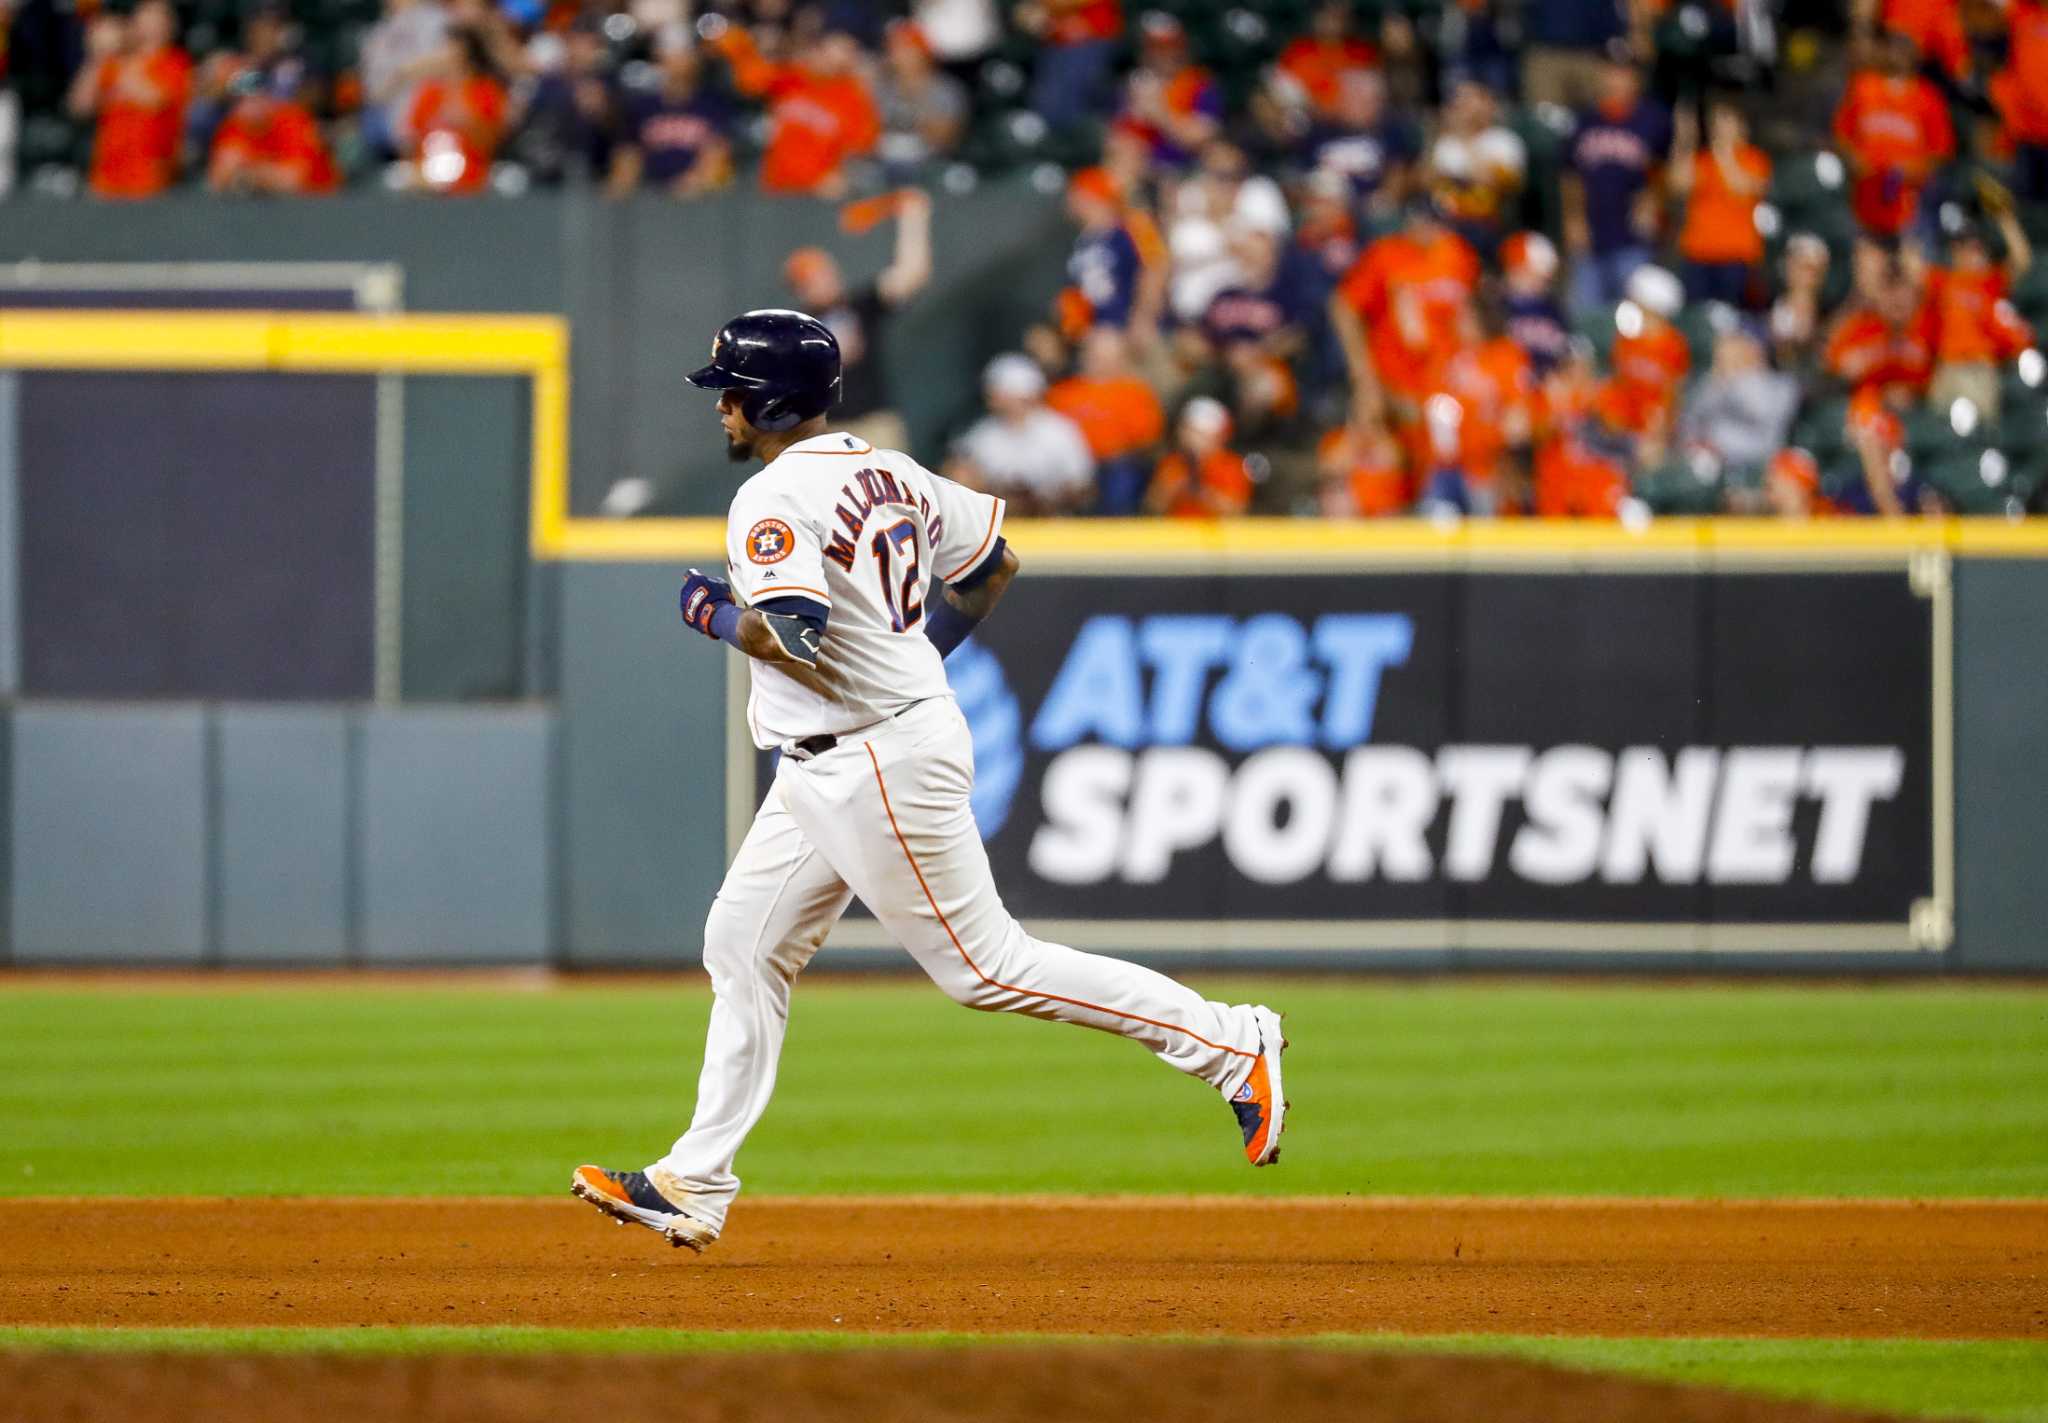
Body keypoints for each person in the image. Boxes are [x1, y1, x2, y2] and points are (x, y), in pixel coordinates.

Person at [570, 309, 1289, 1252]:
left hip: (873, 753)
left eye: (733, 394)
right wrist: (919, 656)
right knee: (742, 942)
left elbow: (792, 630)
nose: (723, 412)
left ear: (774, 399)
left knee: (988, 967)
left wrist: (709, 611)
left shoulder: (772, 497)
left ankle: (1230, 1042)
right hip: (841, 752)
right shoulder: (888, 468)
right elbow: (993, 564)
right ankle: (694, 1180)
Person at [780, 186, 933, 452]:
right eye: (811, 280)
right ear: (799, 289)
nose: (823, 281)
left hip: (874, 424)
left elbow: (911, 274)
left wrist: (913, 220)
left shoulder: (860, 305)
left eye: (824, 273)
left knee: (890, 492)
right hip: (828, 431)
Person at [708, 21, 879, 198]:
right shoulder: (792, 78)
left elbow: (864, 148)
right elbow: (749, 80)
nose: (835, 57)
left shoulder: (854, 96)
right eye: (829, 50)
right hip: (777, 187)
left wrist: (845, 176)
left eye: (846, 51)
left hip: (819, 194)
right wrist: (738, 44)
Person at [1561, 51, 1670, 319]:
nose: (1617, 80)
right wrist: (1573, 217)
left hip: (1632, 235)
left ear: (1636, 79)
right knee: (1584, 319)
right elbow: (1570, 175)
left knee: (1634, 319)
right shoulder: (1585, 120)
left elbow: (1664, 170)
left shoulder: (1653, 120)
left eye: (1624, 73)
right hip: (1591, 234)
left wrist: (1653, 200)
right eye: (1612, 72)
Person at [1833, 28, 1954, 238]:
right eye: (1893, 47)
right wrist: (1853, 159)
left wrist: (1913, 170)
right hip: (1865, 191)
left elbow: (1941, 151)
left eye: (1904, 48)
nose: (1897, 54)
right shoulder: (1863, 86)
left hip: (1909, 196)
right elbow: (1841, 133)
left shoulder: (1928, 96)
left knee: (1912, 259)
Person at [68, 0, 191, 199]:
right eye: (146, 15)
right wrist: (96, 57)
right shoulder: (112, 63)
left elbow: (153, 99)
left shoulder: (176, 62)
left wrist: (118, 46)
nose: (152, 24)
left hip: (150, 182)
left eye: (158, 17)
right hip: (105, 179)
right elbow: (79, 106)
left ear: (171, 25)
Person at [946, 353, 1095, 515]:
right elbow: (958, 482)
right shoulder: (982, 436)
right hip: (998, 525)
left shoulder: (1060, 432)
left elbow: (1084, 487)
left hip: (1056, 525)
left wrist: (1045, 499)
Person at [1046, 325, 1167, 514]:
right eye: (1094, 353)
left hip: (1114, 467)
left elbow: (1148, 441)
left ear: (1120, 358)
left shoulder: (1136, 392)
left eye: (1106, 355)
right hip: (1066, 467)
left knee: (1121, 477)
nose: (1098, 360)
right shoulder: (1061, 393)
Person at [607, 27, 731, 197]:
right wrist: (621, 186)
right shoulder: (642, 107)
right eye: (671, 53)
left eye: (682, 54)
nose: (676, 61)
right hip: (650, 199)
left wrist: (695, 181)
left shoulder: (713, 104)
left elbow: (718, 155)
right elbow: (628, 154)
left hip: (699, 203)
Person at [1670, 98, 1770, 308]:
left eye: (1726, 121)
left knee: (1730, 316)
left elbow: (1740, 188)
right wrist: (1685, 141)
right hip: (1698, 253)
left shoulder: (1754, 158)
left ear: (1742, 126)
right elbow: (1678, 185)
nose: (1719, 127)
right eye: (1715, 122)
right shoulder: (1703, 159)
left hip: (1734, 255)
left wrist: (1723, 153)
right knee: (1696, 317)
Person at [404, 26, 506, 193]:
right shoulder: (429, 92)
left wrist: (466, 121)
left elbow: (492, 144)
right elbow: (410, 140)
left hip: (470, 185)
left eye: (452, 50)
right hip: (427, 186)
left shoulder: (486, 90)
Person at [206, 66, 336, 194]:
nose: (252, 105)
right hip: (273, 207)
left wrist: (249, 171)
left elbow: (294, 180)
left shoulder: (291, 119)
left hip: (322, 201)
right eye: (243, 100)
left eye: (257, 97)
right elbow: (216, 182)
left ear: (268, 97)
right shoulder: (232, 127)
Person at [872, 19, 967, 177]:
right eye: (894, 50)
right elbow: (866, 134)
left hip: (929, 164)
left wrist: (915, 98)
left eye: (906, 50)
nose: (898, 56)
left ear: (922, 53)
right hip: (884, 163)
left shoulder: (945, 89)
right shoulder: (881, 87)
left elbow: (944, 141)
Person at [358, 0, 447, 162]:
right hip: (389, 123)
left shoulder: (438, 19)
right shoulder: (378, 33)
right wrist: (400, 76)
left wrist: (404, 73)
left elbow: (450, 65)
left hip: (433, 117)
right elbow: (373, 92)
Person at [1146, 395, 1254, 517]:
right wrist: (1173, 490)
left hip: (1217, 533)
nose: (1191, 438)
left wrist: (1201, 493)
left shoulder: (1231, 466)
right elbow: (1153, 506)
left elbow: (1237, 511)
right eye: (1188, 431)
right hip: (1177, 532)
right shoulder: (1173, 464)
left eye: (1199, 434)